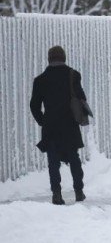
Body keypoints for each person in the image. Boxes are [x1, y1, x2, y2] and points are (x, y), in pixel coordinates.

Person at [29, 46, 87, 205]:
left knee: (53, 162)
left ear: (49, 59)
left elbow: (34, 106)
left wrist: (43, 121)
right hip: (69, 125)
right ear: (64, 58)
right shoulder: (73, 75)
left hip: (51, 127)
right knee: (74, 159)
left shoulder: (40, 80)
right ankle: (79, 191)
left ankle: (57, 194)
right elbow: (81, 98)